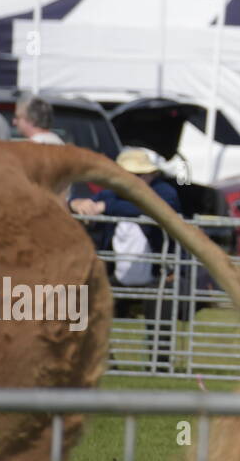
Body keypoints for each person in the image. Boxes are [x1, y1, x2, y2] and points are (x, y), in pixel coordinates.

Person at [70, 148, 183, 371]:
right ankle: (105, 360)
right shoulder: (110, 194)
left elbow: (157, 208)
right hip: (116, 276)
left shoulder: (164, 192)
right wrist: (75, 204)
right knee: (85, 300)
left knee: (161, 302)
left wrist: (106, 208)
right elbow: (87, 202)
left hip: (157, 277)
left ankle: (158, 366)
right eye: (129, 175)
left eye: (140, 175)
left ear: (151, 175)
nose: (136, 180)